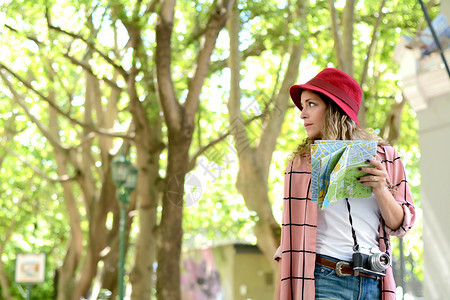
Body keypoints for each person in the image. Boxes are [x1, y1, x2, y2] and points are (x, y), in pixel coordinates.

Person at [273, 68, 415, 300]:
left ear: (334, 108)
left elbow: (401, 226)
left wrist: (380, 188)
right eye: (302, 105)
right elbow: (288, 241)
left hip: (374, 282)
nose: (302, 114)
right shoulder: (300, 165)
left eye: (311, 104)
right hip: (324, 279)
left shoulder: (387, 157)